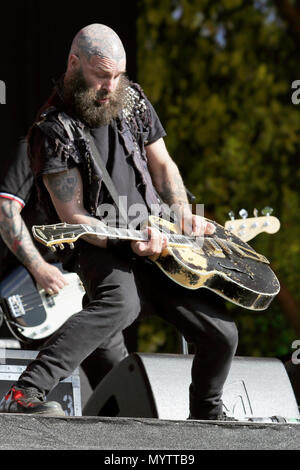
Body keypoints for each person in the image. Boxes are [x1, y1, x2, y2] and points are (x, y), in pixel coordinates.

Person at [0, 24, 238, 418]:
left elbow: (163, 166)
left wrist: (183, 214)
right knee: (120, 304)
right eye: (101, 75)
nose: (111, 86)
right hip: (102, 247)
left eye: (118, 76)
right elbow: (74, 218)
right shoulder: (52, 131)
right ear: (74, 64)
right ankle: (24, 393)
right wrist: (129, 244)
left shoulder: (134, 101)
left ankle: (207, 417)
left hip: (162, 243)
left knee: (221, 333)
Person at [0, 137, 129, 390]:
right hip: (43, 287)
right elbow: (5, 209)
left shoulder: (104, 154)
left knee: (117, 377)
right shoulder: (38, 146)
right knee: (48, 387)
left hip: (90, 283)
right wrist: (38, 268)